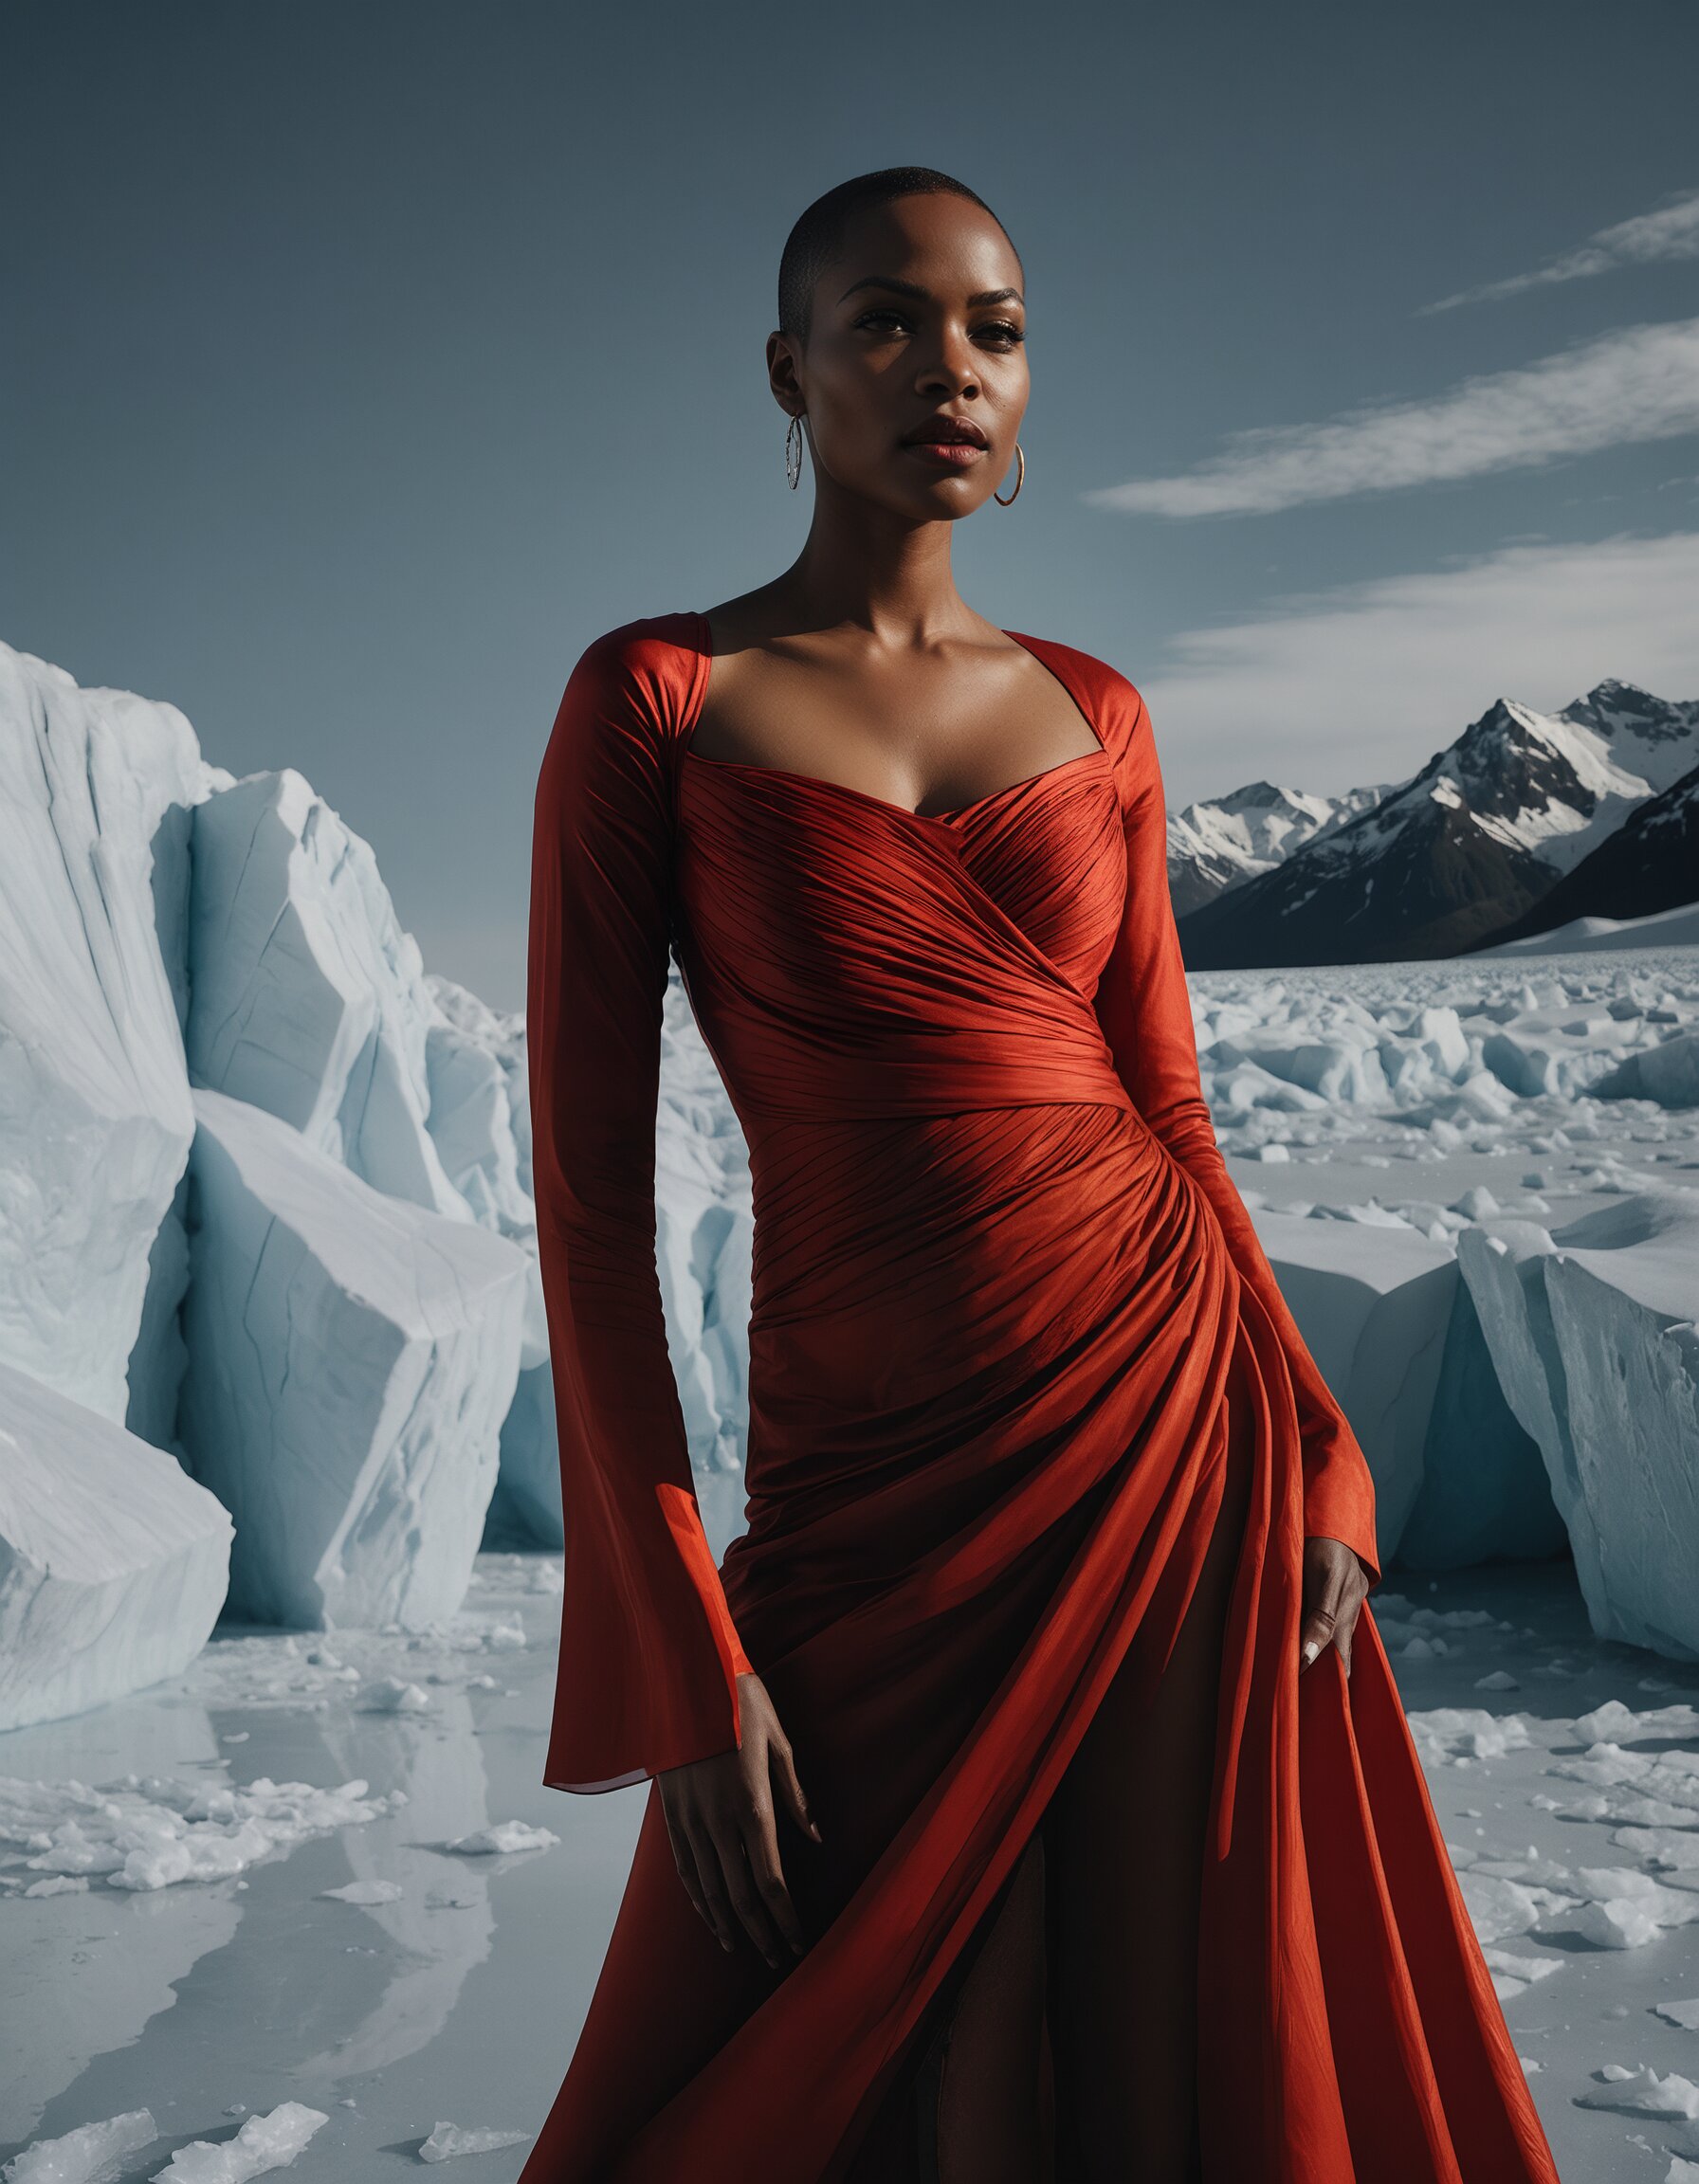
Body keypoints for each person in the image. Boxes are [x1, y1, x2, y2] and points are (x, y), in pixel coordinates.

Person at [518, 168, 1562, 2184]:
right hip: (868, 1492)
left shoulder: (1096, 715)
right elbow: (584, 1208)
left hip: (1172, 1432)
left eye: (992, 330)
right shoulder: (653, 698)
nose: (947, 370)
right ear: (786, 368)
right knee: (788, 2058)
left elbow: (1169, 1119)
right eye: (887, 322)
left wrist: (1320, 1438)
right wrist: (672, 1651)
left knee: (1155, 2037)